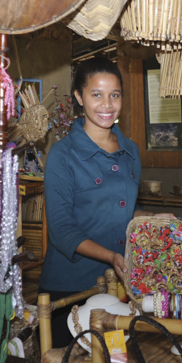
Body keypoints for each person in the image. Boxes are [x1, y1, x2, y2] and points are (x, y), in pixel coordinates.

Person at [41, 57, 146, 347]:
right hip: (71, 289)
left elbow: (121, 209)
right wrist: (112, 256)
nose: (107, 105)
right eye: (96, 95)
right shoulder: (63, 155)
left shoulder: (131, 151)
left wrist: (150, 218)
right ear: (79, 97)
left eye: (115, 95)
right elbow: (61, 230)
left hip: (118, 289)